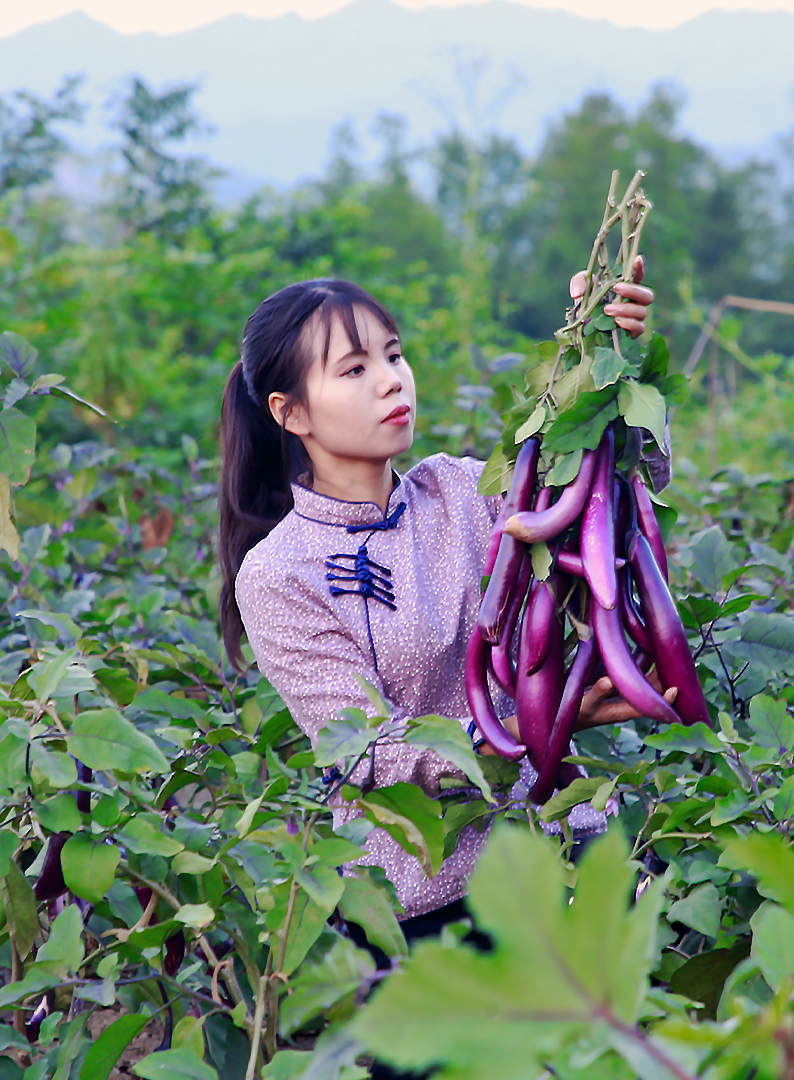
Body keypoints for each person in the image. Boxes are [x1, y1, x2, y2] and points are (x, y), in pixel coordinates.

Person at [217, 261, 665, 948]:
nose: (392, 380)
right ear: (291, 412)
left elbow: (610, 495)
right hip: (427, 905)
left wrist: (609, 360)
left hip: (567, 848)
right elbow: (371, 753)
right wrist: (543, 729)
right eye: (355, 369)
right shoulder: (280, 572)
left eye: (393, 355)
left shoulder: (463, 488)